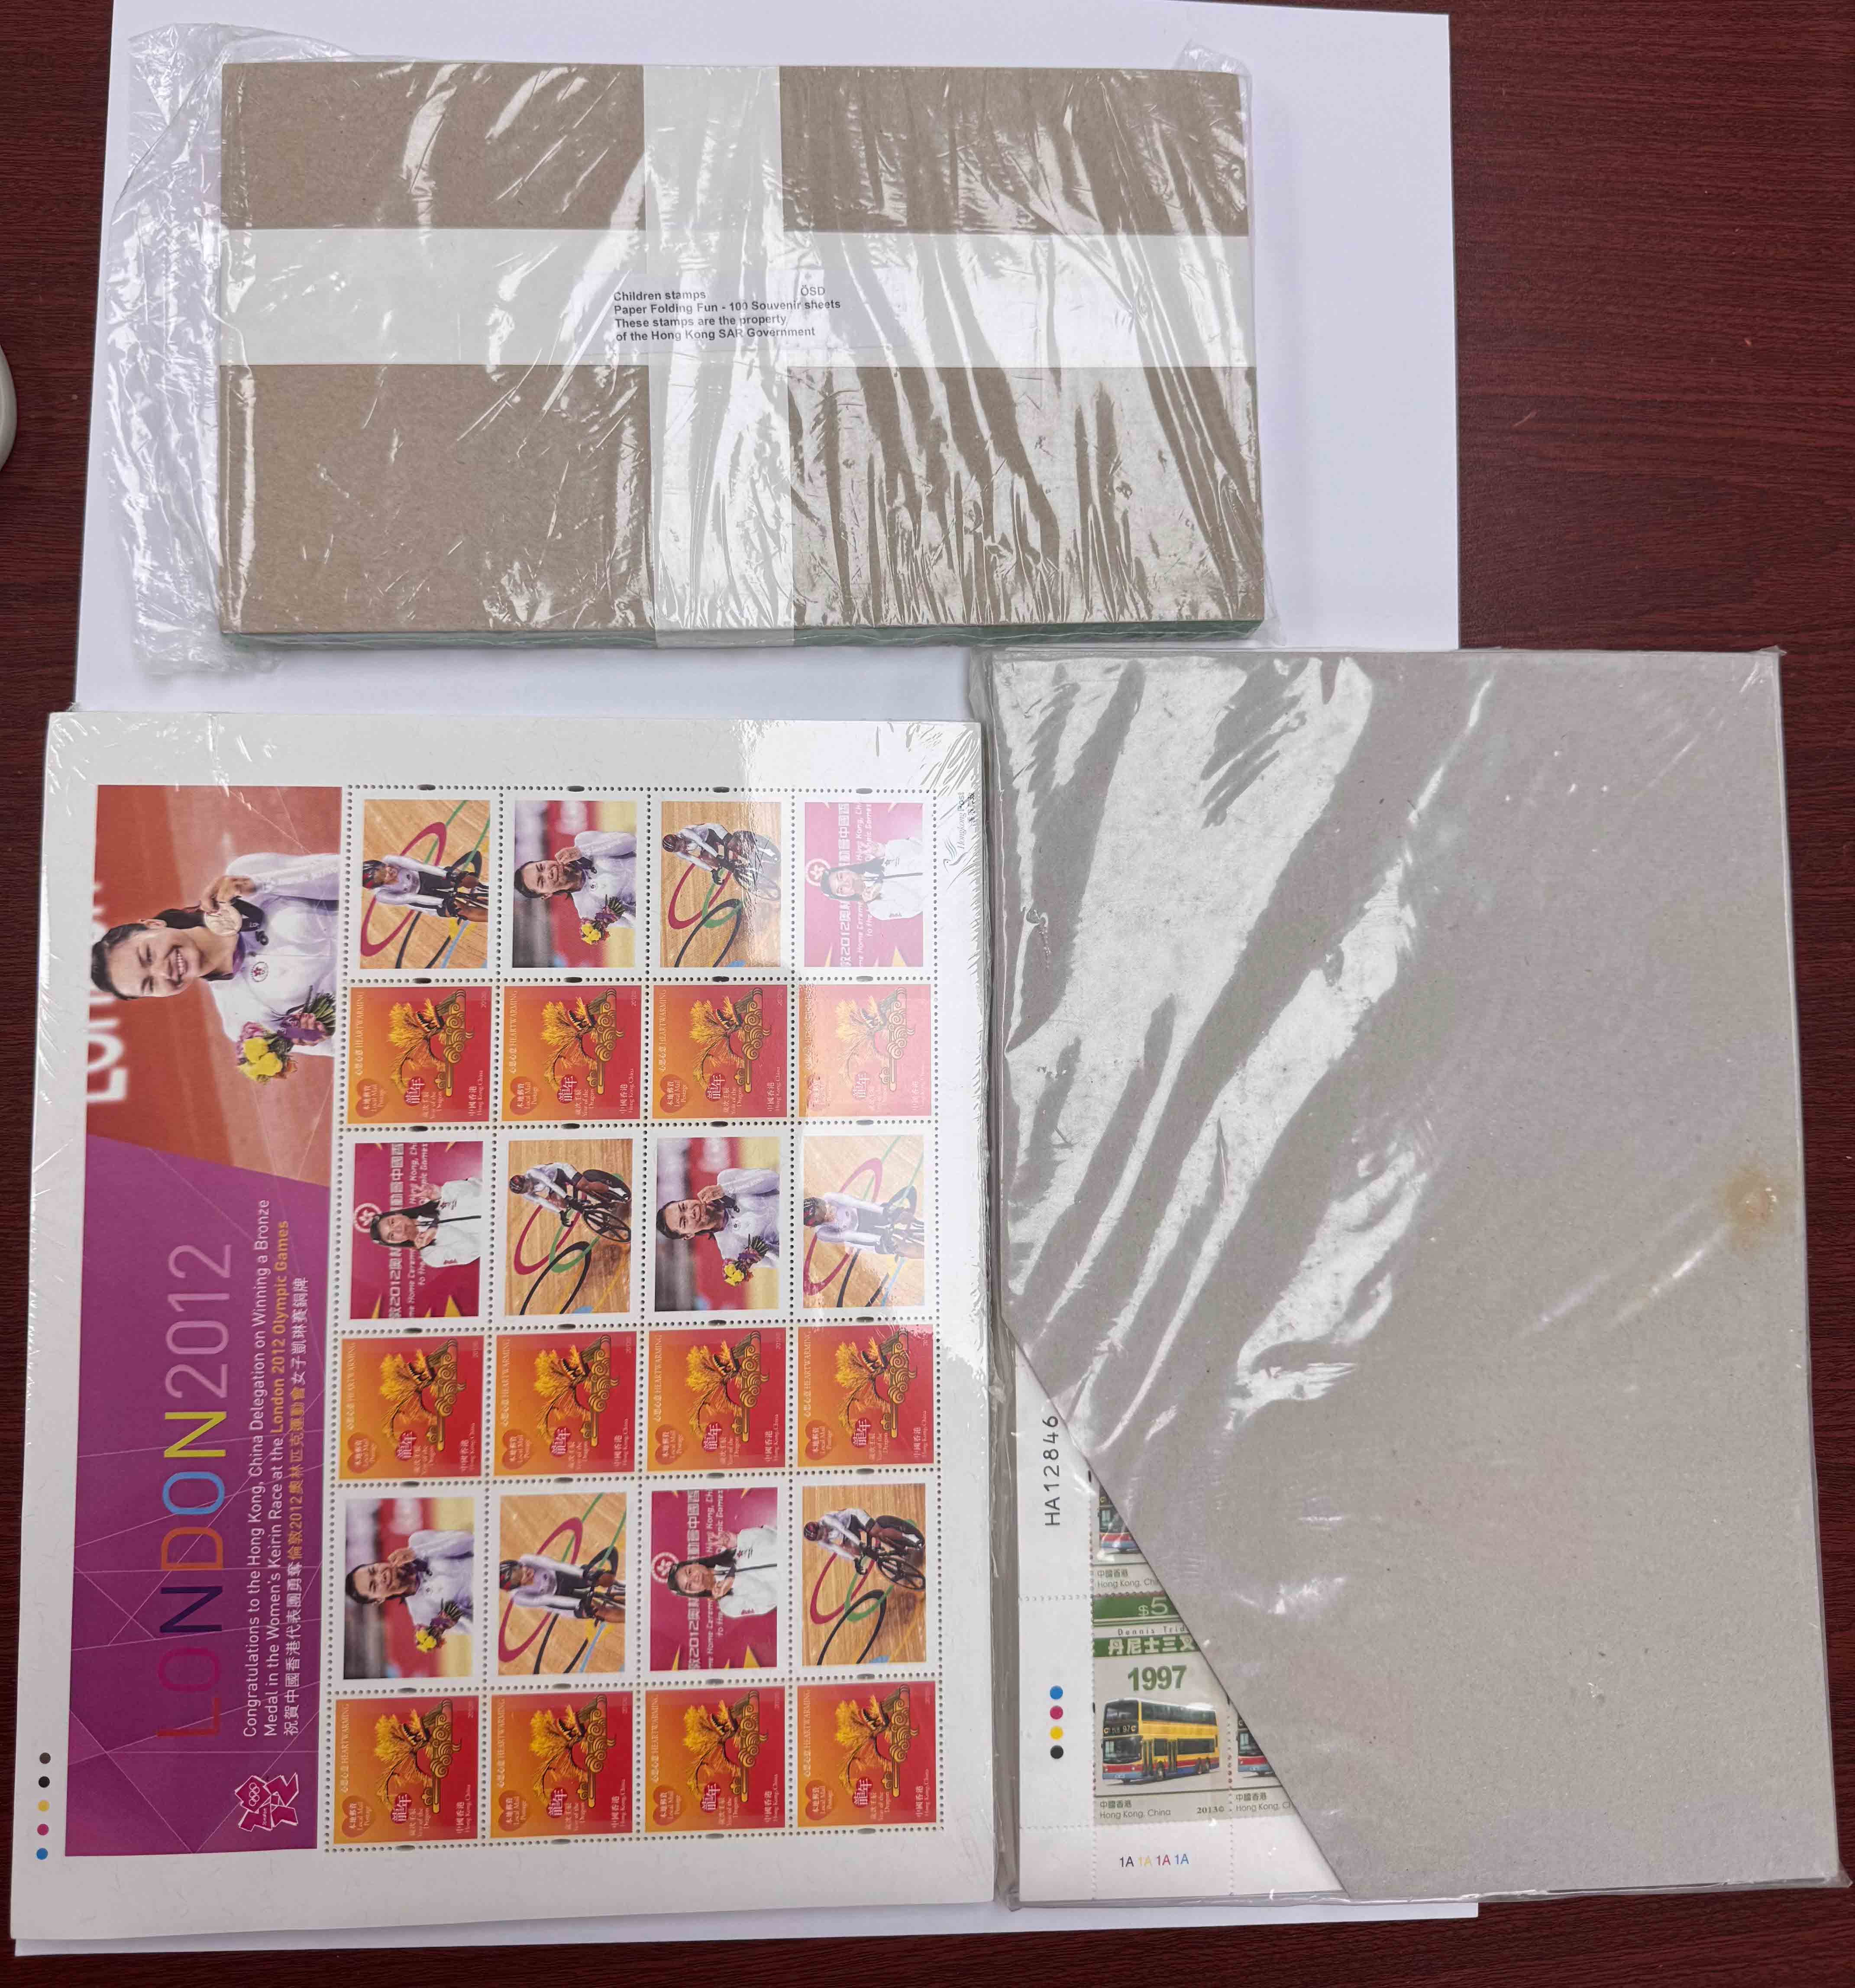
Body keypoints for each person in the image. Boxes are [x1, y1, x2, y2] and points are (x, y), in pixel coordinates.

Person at [89, 852, 341, 1054]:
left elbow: (353, 870)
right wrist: (323, 1032)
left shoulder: (244, 875)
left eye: (148, 956)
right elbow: (346, 1050)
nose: (163, 972)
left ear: (154, 925)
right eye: (150, 984)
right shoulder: (243, 1021)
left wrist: (261, 884)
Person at [346, 1529, 476, 1651]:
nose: (380, 1577)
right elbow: (476, 1626)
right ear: (379, 1600)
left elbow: (470, 1541)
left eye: (374, 1570)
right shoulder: (422, 1616)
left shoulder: (417, 1542)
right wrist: (455, 1617)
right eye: (374, 1585)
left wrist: (418, 1552)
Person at [656, 1168, 781, 1281]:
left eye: (684, 1207)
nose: (690, 1213)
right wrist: (765, 1249)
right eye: (684, 1222)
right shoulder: (730, 1251)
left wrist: (726, 1189)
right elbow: (783, 1261)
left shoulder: (725, 1180)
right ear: (688, 1235)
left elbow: (775, 1179)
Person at [514, 830, 637, 934]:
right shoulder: (587, 911)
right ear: (546, 895)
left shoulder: (583, 842)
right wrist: (622, 911)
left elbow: (632, 842)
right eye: (542, 881)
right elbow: (638, 923)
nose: (548, 873)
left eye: (542, 867)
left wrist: (583, 851)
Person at [655, 1521, 784, 1620]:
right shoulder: (728, 1606)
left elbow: (773, 1536)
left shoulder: (730, 1548)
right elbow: (772, 1599)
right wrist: (733, 1581)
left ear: (695, 1563)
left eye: (689, 1572)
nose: (694, 1578)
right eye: (689, 1585)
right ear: (694, 1593)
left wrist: (739, 1540)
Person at [367, 1176, 484, 1268]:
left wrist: (443, 1193)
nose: (398, 1229)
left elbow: (480, 1186)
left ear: (398, 1214)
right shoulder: (431, 1256)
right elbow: (475, 1250)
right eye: (392, 1236)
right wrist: (437, 1233)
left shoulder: (438, 1199)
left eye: (392, 1222)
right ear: (396, 1243)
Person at [498, 1544, 626, 1626]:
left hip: (560, 1576)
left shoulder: (527, 1559)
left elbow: (557, 1566)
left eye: (519, 1568)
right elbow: (547, 1600)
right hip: (557, 1599)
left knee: (600, 1577)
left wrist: (584, 1574)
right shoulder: (519, 1597)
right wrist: (579, 1605)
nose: (525, 1571)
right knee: (600, 1612)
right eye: (520, 1576)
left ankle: (617, 1585)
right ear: (518, 1585)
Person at [804, 835, 924, 921]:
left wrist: (886, 850)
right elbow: (917, 907)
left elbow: (920, 849)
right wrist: (882, 887)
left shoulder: (880, 858)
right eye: (840, 890)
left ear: (846, 869)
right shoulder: (877, 909)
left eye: (841, 877)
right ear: (845, 896)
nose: (845, 883)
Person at [803, 1508, 925, 1588]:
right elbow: (837, 1550)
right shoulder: (821, 1542)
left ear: (820, 1526)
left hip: (854, 1517)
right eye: (819, 1538)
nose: (823, 1538)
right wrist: (855, 1560)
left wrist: (861, 1543)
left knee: (877, 1533)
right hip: (849, 1531)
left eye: (822, 1534)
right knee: (856, 1552)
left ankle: (909, 1537)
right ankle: (890, 1553)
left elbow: (844, 1530)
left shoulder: (828, 1520)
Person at [361, 847, 488, 923]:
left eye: (383, 868)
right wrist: (442, 902)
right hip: (418, 896)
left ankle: (480, 887)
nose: (388, 871)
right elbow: (412, 898)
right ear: (379, 885)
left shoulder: (391, 860)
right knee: (461, 911)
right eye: (383, 876)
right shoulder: (382, 895)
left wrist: (448, 875)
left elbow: (421, 867)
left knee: (461, 878)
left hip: (423, 876)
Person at [662, 823, 781, 901]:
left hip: (712, 832)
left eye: (680, 845)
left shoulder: (685, 833)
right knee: (709, 859)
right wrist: (712, 871)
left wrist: (718, 855)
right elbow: (694, 860)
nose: (682, 849)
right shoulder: (679, 853)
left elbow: (701, 843)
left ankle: (751, 849)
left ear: (678, 838)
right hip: (707, 843)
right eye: (678, 849)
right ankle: (739, 866)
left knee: (734, 846)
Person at [802, 1188, 925, 1260]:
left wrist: (884, 1211)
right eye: (827, 1213)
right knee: (898, 1246)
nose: (829, 1207)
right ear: (821, 1222)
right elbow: (851, 1236)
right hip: (860, 1234)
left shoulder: (829, 1197)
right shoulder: (822, 1233)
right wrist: (880, 1240)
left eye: (825, 1205)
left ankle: (921, 1225)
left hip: (862, 1213)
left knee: (900, 1215)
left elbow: (859, 1203)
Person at [510, 1162, 630, 1230]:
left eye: (527, 1187)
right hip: (554, 1183)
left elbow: (550, 1184)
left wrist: (568, 1197)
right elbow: (542, 1202)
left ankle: (616, 1190)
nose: (529, 1190)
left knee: (584, 1186)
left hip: (560, 1171)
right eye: (525, 1191)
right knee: (561, 1204)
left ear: (526, 1179)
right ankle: (589, 1206)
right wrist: (560, 1213)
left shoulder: (533, 1173)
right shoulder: (526, 1194)